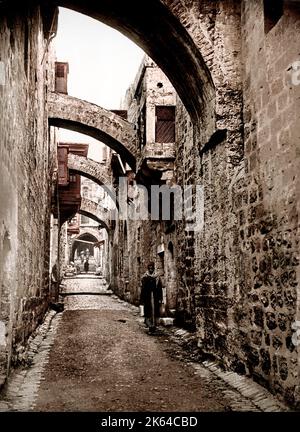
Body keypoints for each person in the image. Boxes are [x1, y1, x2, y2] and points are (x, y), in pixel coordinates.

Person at [140, 261, 163, 334]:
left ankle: (154, 327)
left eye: (152, 268)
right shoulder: (144, 277)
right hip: (147, 298)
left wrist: (160, 298)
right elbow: (143, 289)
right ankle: (150, 327)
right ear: (148, 269)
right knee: (148, 312)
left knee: (155, 312)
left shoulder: (157, 277)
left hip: (155, 298)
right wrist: (142, 300)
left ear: (153, 268)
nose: (151, 270)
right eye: (149, 268)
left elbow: (159, 288)